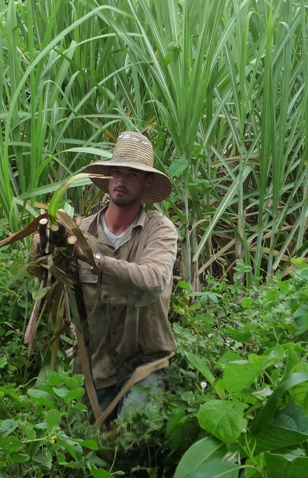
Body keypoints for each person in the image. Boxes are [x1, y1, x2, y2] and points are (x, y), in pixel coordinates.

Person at [73, 131, 178, 422]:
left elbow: (154, 281)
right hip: (95, 367)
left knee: (132, 443)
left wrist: (97, 261)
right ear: (108, 178)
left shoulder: (160, 231)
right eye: (116, 172)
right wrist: (41, 253)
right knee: (84, 452)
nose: (121, 180)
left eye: (132, 174)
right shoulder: (81, 232)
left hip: (143, 365)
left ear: (146, 183)